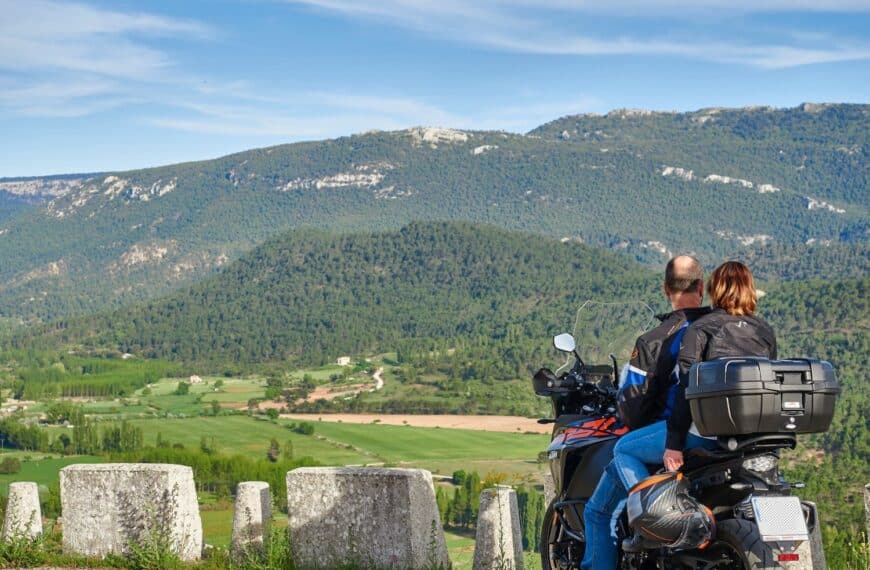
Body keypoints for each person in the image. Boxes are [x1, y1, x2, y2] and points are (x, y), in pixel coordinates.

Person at [616, 260, 776, 553]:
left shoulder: (701, 329)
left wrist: (673, 444)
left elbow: (685, 389)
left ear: (713, 290)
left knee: (623, 449)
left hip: (704, 432)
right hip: (752, 438)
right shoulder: (764, 331)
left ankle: (652, 521)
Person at [580, 255, 711, 570]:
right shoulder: (720, 327)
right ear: (702, 287)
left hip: (676, 435)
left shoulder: (654, 340)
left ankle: (651, 519)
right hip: (721, 433)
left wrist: (624, 408)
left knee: (598, 512)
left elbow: (635, 404)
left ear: (666, 289)